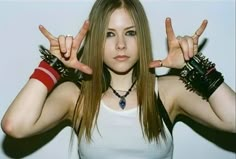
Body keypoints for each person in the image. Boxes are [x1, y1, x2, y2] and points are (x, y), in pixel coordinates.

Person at [1, 0, 235, 158]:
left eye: (130, 33)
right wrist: (52, 65)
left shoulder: (167, 91)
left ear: (141, 38)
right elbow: (15, 126)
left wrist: (195, 66)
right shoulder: (76, 97)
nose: (121, 44)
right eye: (109, 34)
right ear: (96, 41)